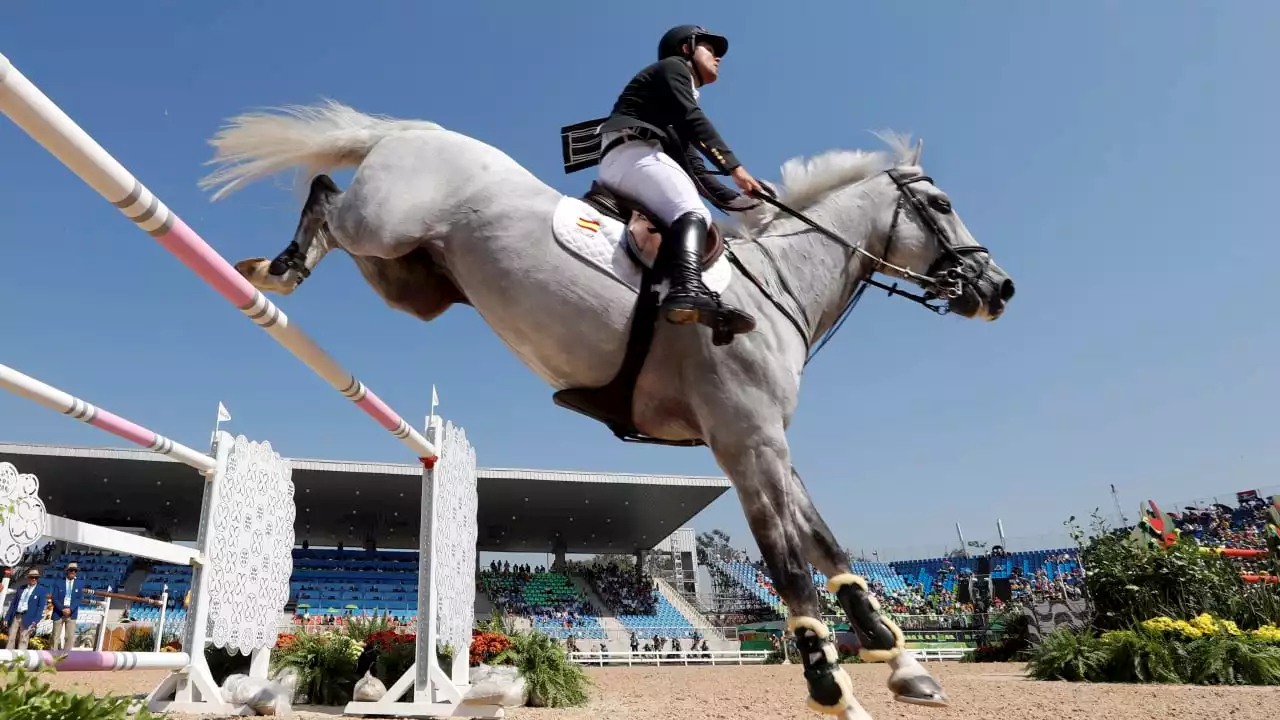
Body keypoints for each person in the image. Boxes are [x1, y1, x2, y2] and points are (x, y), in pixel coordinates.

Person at [597, 24, 763, 339]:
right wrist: (736, 168)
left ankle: (660, 288)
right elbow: (694, 118)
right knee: (694, 214)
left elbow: (695, 169)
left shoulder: (670, 102)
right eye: (711, 50)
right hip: (634, 155)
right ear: (686, 48)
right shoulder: (672, 69)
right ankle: (687, 289)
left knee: (690, 209)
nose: (719, 59)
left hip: (628, 161)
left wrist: (749, 202)